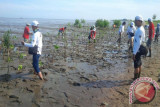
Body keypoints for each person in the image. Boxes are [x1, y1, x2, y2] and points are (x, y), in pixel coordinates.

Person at [133, 15, 145, 80]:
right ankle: (138, 77)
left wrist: (134, 53)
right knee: (139, 63)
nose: (134, 22)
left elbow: (137, 43)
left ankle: (135, 79)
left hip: (138, 50)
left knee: (136, 66)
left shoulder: (139, 30)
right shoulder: (141, 28)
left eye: (135, 20)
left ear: (138, 21)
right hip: (140, 49)